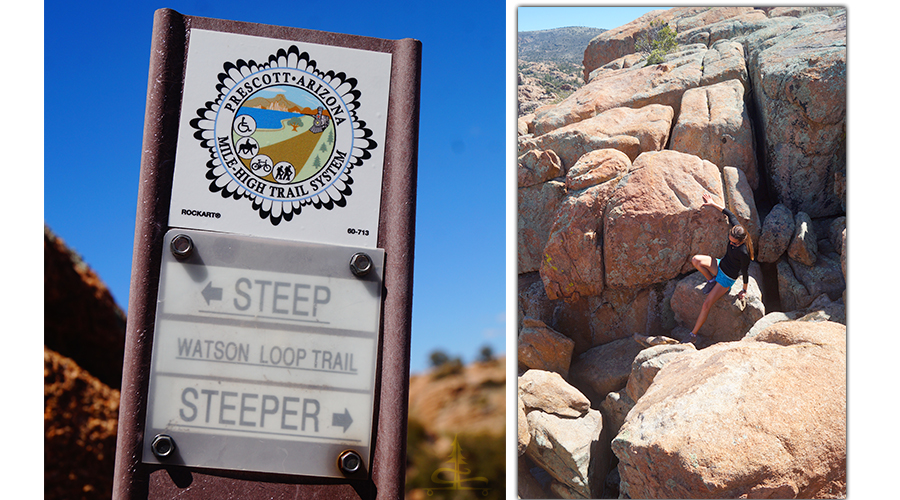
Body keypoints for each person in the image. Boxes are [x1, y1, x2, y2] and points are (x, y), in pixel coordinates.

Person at [687, 193, 754, 342]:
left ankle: (693, 334)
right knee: (695, 260)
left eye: (734, 243)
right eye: (730, 241)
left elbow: (745, 272)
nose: (731, 244)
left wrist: (744, 290)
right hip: (719, 265)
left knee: (706, 304)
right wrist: (712, 203)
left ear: (741, 241)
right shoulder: (737, 229)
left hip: (727, 278)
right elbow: (728, 213)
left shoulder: (744, 252)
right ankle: (711, 281)